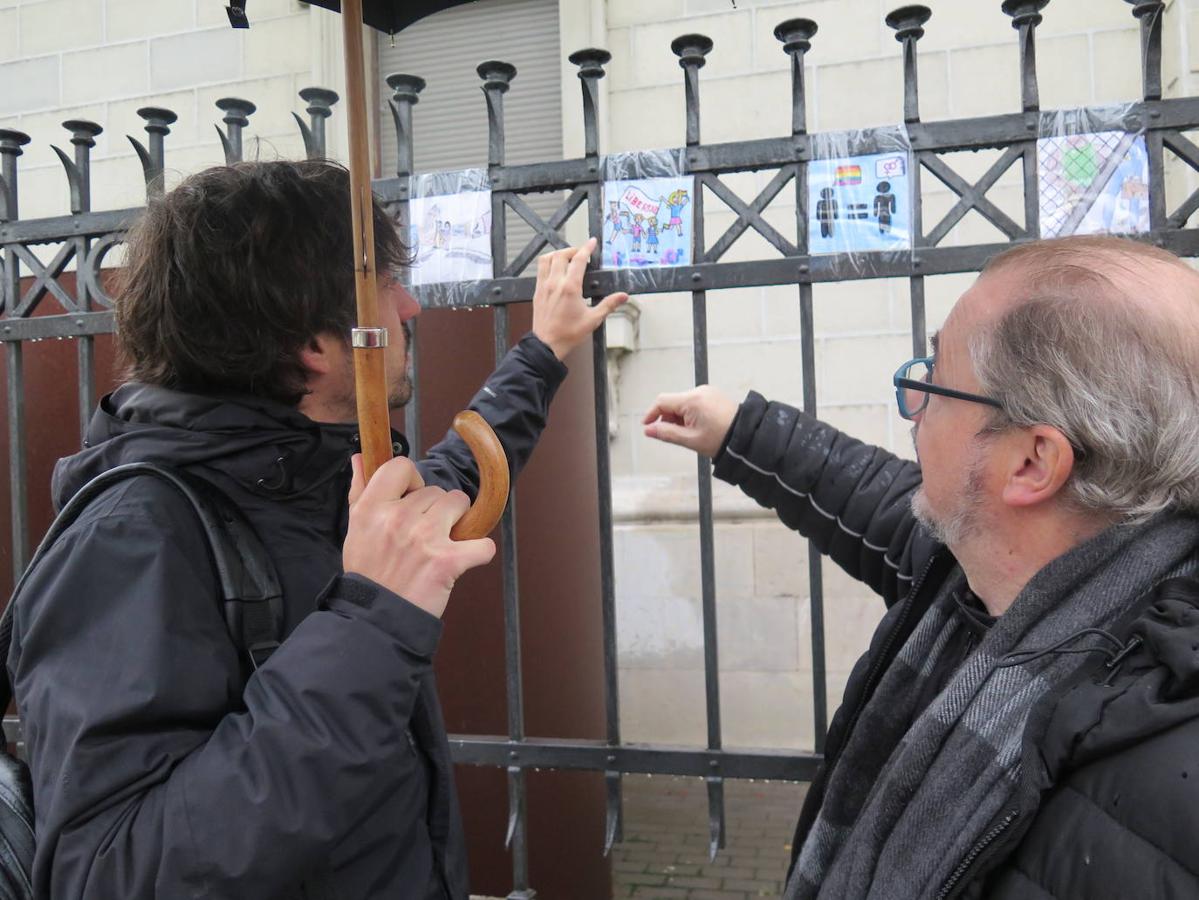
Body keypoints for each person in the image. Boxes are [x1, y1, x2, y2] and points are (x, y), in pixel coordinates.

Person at [8, 159, 627, 899]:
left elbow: (463, 472)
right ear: (313, 341)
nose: (409, 306)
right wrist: (366, 628)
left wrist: (544, 349)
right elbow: (109, 872)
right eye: (387, 284)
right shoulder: (133, 535)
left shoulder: (305, 480)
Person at [643, 235, 1199, 899]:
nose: (913, 410)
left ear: (1029, 463)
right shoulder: (988, 574)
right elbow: (869, 498)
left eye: (932, 383)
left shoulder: (1159, 776)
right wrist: (737, 429)